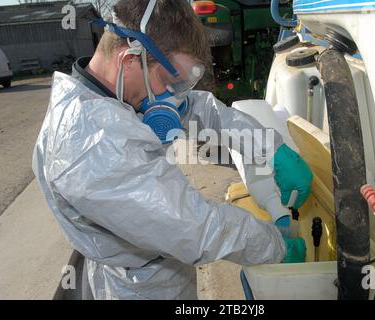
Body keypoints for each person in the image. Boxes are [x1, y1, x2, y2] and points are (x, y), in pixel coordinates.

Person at [32, 0, 313, 299]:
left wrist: (270, 149)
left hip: (160, 269)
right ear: (129, 59)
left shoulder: (117, 95)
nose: (173, 98)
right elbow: (195, 228)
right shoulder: (91, 146)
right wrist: (276, 247)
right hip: (139, 289)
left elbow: (203, 111)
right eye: (169, 82)